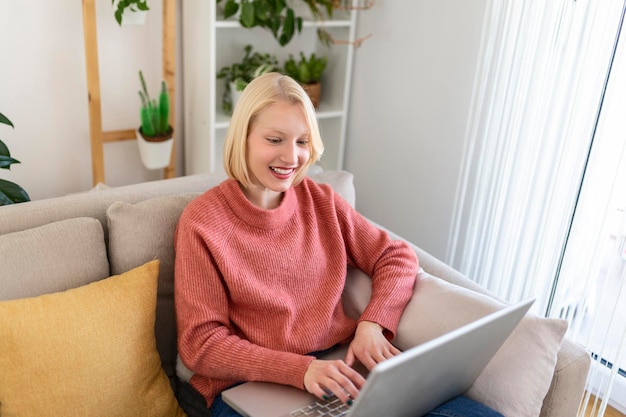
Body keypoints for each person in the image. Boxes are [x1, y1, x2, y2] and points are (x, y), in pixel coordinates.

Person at [174, 72, 503, 417]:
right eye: (275, 139)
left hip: (338, 365)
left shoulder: (321, 201)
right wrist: (300, 370)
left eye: (302, 142)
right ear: (242, 138)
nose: (291, 157)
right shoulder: (203, 222)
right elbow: (202, 345)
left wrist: (372, 324)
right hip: (249, 388)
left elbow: (396, 256)